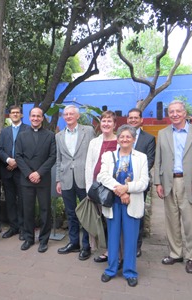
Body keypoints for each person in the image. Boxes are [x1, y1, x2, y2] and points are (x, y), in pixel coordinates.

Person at [154, 99, 192, 274]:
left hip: (190, 182)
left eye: (178, 111)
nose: (174, 114)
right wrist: (157, 182)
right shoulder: (163, 133)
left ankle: (191, 257)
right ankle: (175, 253)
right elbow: (159, 160)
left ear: (185, 113)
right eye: (171, 112)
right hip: (169, 182)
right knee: (171, 220)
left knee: (189, 222)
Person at [98, 124, 149, 287]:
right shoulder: (108, 156)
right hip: (114, 201)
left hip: (132, 202)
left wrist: (127, 188)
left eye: (128, 136)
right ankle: (111, 269)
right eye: (121, 136)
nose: (124, 139)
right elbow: (102, 176)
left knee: (130, 238)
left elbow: (143, 182)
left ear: (134, 139)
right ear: (117, 139)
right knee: (112, 236)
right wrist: (121, 191)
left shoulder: (141, 157)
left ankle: (130, 271)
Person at [55, 105, 95, 260]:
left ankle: (86, 245)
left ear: (78, 116)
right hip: (66, 179)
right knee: (71, 213)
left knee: (85, 213)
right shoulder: (58, 136)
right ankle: (74, 243)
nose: (68, 116)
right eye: (66, 114)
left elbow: (94, 154)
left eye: (71, 113)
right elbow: (59, 159)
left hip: (84, 179)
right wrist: (58, 179)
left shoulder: (88, 131)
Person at [15, 107, 56, 253]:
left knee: (45, 210)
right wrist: (29, 174)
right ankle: (28, 238)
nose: (35, 118)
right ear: (29, 117)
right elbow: (18, 156)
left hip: (43, 179)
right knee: (28, 210)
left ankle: (44, 240)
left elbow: (52, 157)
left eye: (38, 116)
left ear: (42, 118)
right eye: (33, 116)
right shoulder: (22, 135)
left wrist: (38, 173)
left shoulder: (50, 135)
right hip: (26, 179)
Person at [85, 110, 118, 263]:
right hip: (97, 188)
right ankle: (107, 251)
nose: (106, 124)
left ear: (114, 124)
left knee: (114, 220)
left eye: (109, 121)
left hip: (114, 189)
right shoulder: (94, 142)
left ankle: (117, 251)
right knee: (102, 221)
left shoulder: (120, 141)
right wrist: (88, 190)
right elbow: (89, 166)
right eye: (103, 121)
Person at [0, 105, 30, 240]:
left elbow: (30, 150)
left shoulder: (27, 129)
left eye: (17, 113)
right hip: (7, 171)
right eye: (12, 113)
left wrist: (16, 162)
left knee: (23, 200)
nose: (15, 114)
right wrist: (8, 160)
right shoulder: (4, 132)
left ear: (21, 115)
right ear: (9, 115)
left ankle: (23, 228)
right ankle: (13, 227)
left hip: (22, 172)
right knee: (10, 200)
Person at [127, 108, 156, 257]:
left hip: (139, 183)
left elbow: (150, 161)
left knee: (137, 213)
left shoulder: (149, 139)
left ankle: (136, 245)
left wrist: (134, 179)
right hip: (122, 184)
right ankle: (123, 243)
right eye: (130, 118)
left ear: (141, 120)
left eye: (135, 118)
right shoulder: (122, 136)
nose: (133, 120)